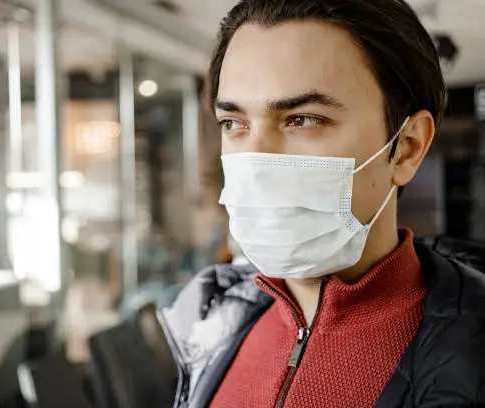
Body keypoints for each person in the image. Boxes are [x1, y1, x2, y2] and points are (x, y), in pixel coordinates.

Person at [158, 1, 485, 407]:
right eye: (234, 124)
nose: (257, 163)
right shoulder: (209, 328)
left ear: (406, 148)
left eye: (303, 119)